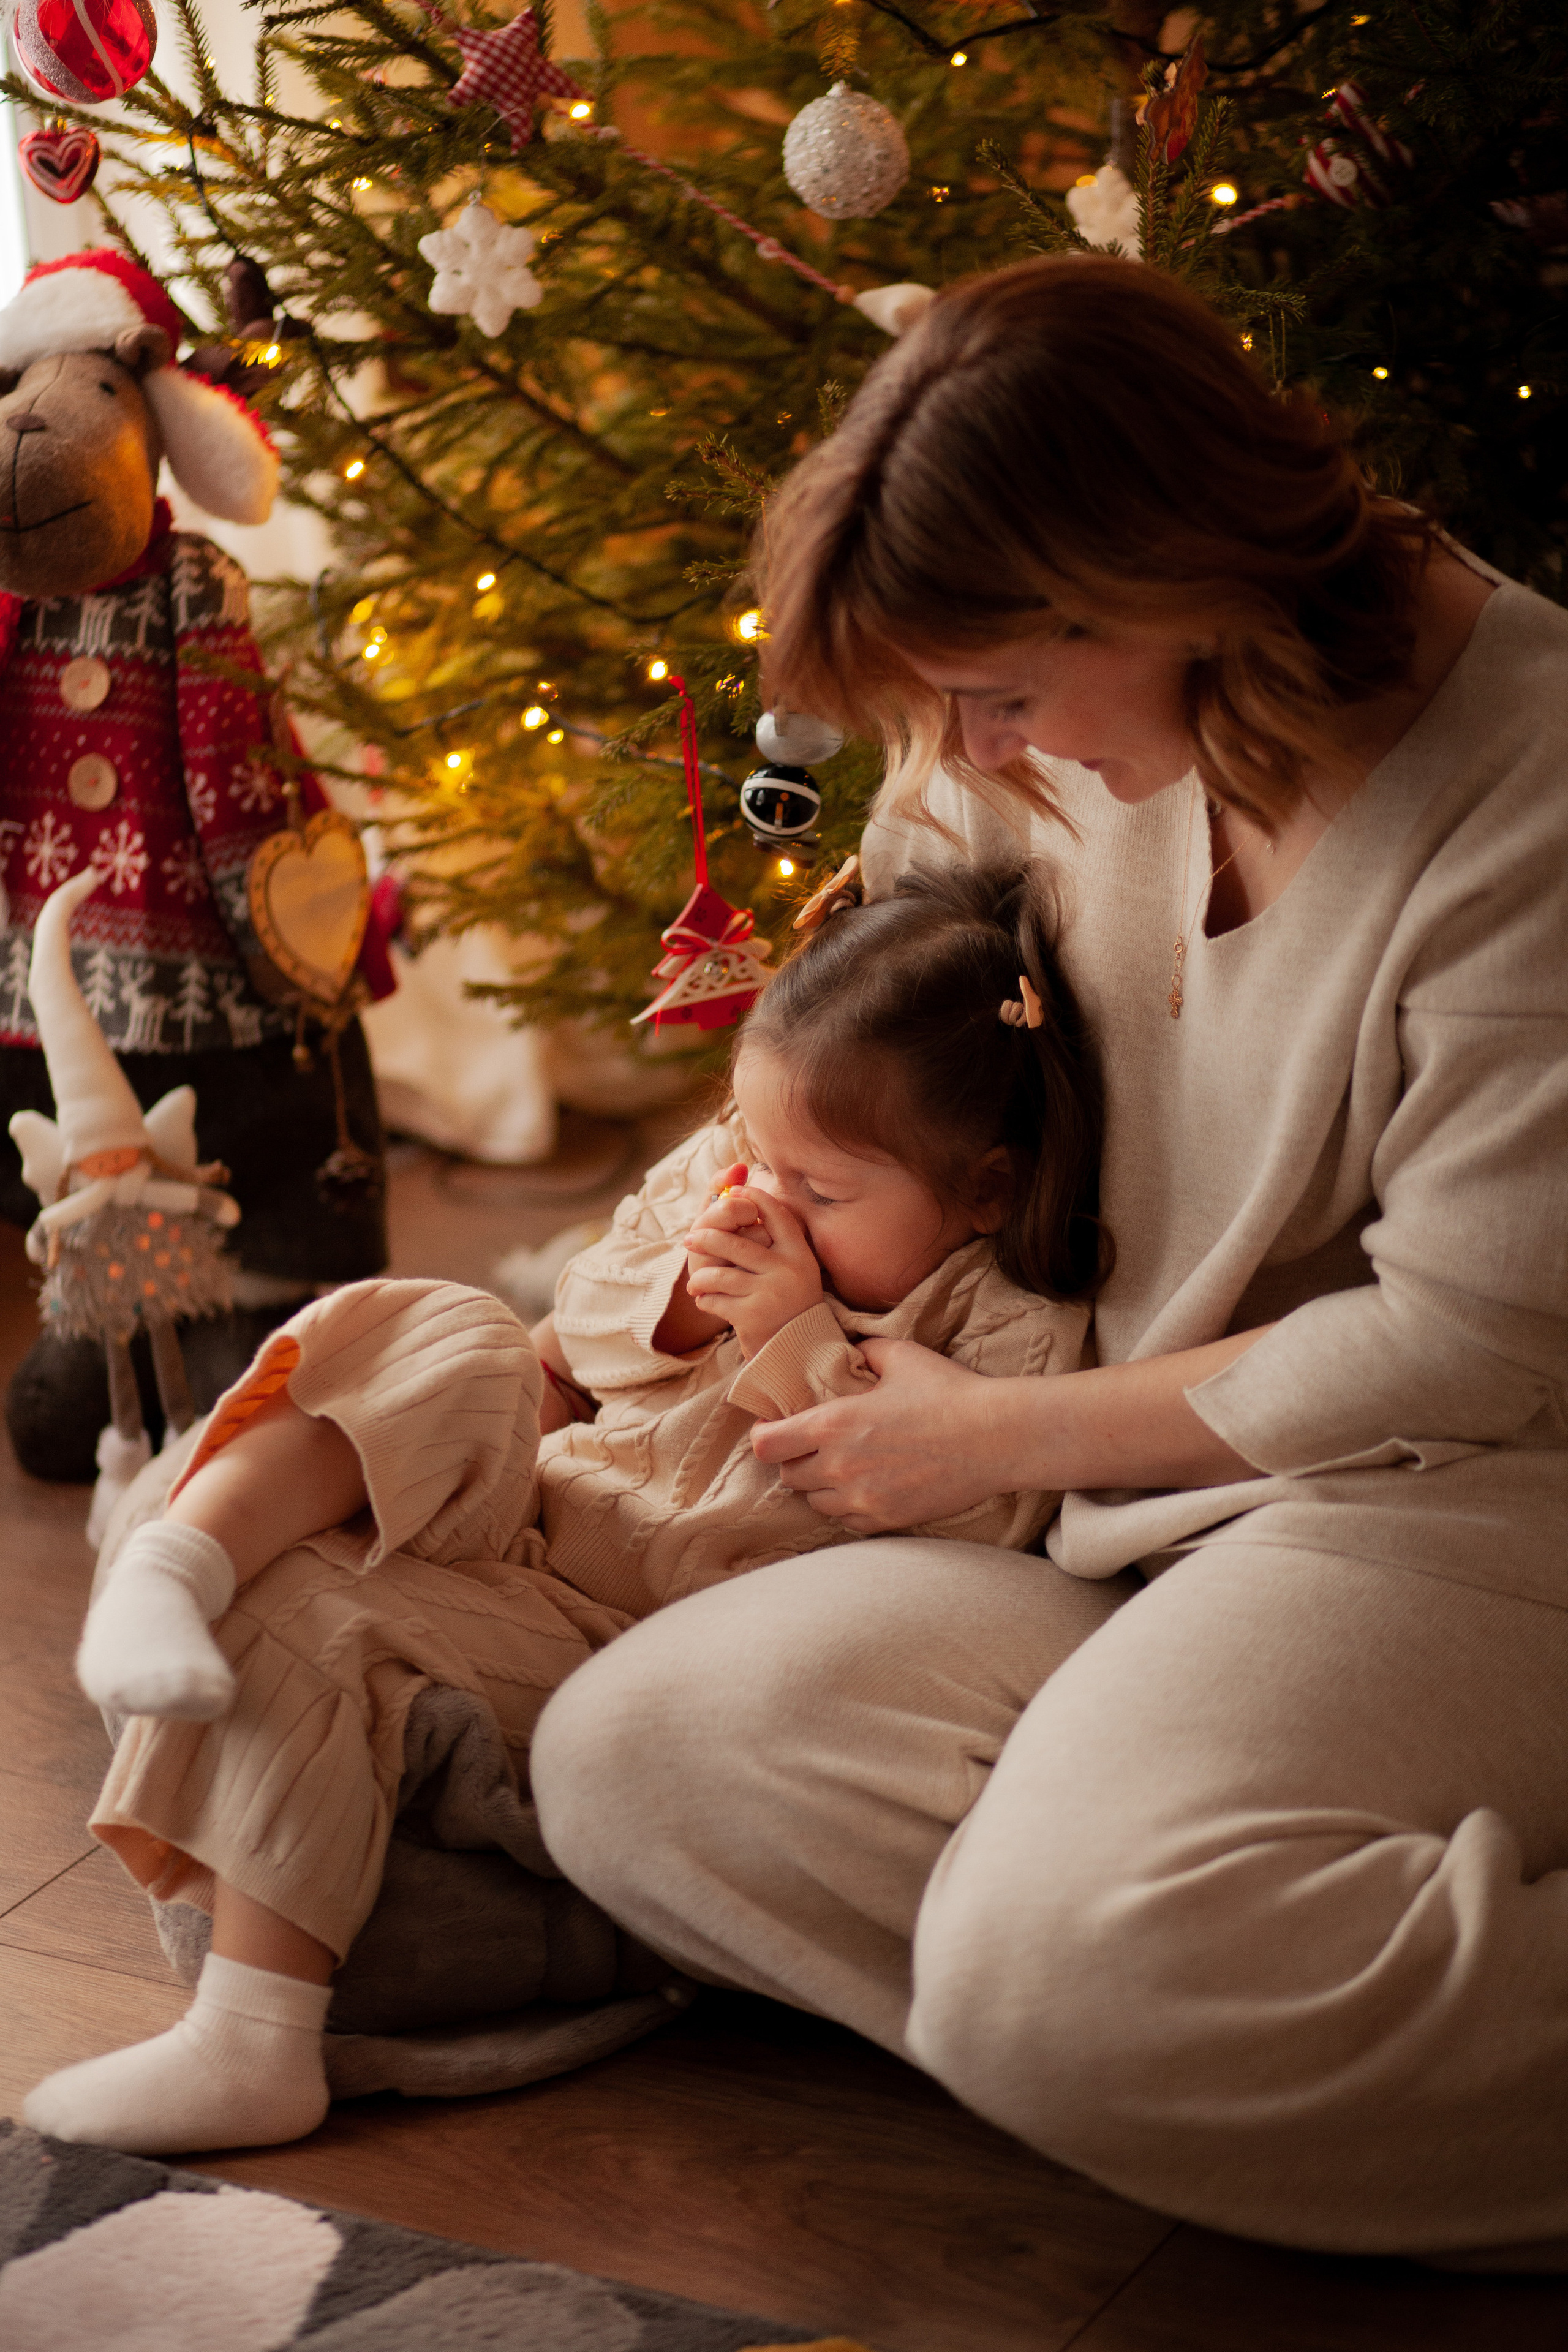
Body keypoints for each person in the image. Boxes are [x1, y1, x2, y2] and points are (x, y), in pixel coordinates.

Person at [524, 255, 1568, 2261]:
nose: (969, 739)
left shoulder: (1525, 793)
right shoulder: (1036, 722)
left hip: (1458, 1496)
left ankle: (1127, 2009)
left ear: (1154, 582)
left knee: (1065, 1989)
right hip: (1118, 1512)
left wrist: (994, 1431)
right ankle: (1180, 2018)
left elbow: (1460, 1346)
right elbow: (865, 1010)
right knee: (640, 1764)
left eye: (998, 690)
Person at [26, 859, 1102, 2156]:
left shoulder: (1008, 1326)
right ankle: (180, 1561)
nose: (769, 1199)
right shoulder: (730, 1173)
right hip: (533, 1516)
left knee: (318, 1614)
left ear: (981, 1189)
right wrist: (686, 1303)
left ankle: (254, 2043)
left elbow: (965, 1535)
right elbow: (581, 1323)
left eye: (823, 1194)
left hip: (626, 1643)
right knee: (460, 1332)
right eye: (759, 1154)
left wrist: (797, 1341)